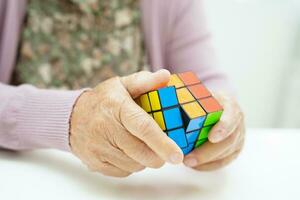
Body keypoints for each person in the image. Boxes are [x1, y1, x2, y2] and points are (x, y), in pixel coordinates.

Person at [0, 0, 245, 177]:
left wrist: (224, 120)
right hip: (26, 172)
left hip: (136, 187)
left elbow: (209, 82)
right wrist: (72, 118)